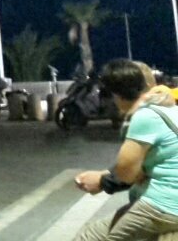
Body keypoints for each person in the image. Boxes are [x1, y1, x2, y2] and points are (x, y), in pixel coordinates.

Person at [73, 59, 178, 240]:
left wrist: (102, 179)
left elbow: (127, 174)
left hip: (166, 204)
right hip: (163, 202)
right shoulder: (167, 106)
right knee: (90, 235)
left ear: (116, 95)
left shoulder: (143, 116)